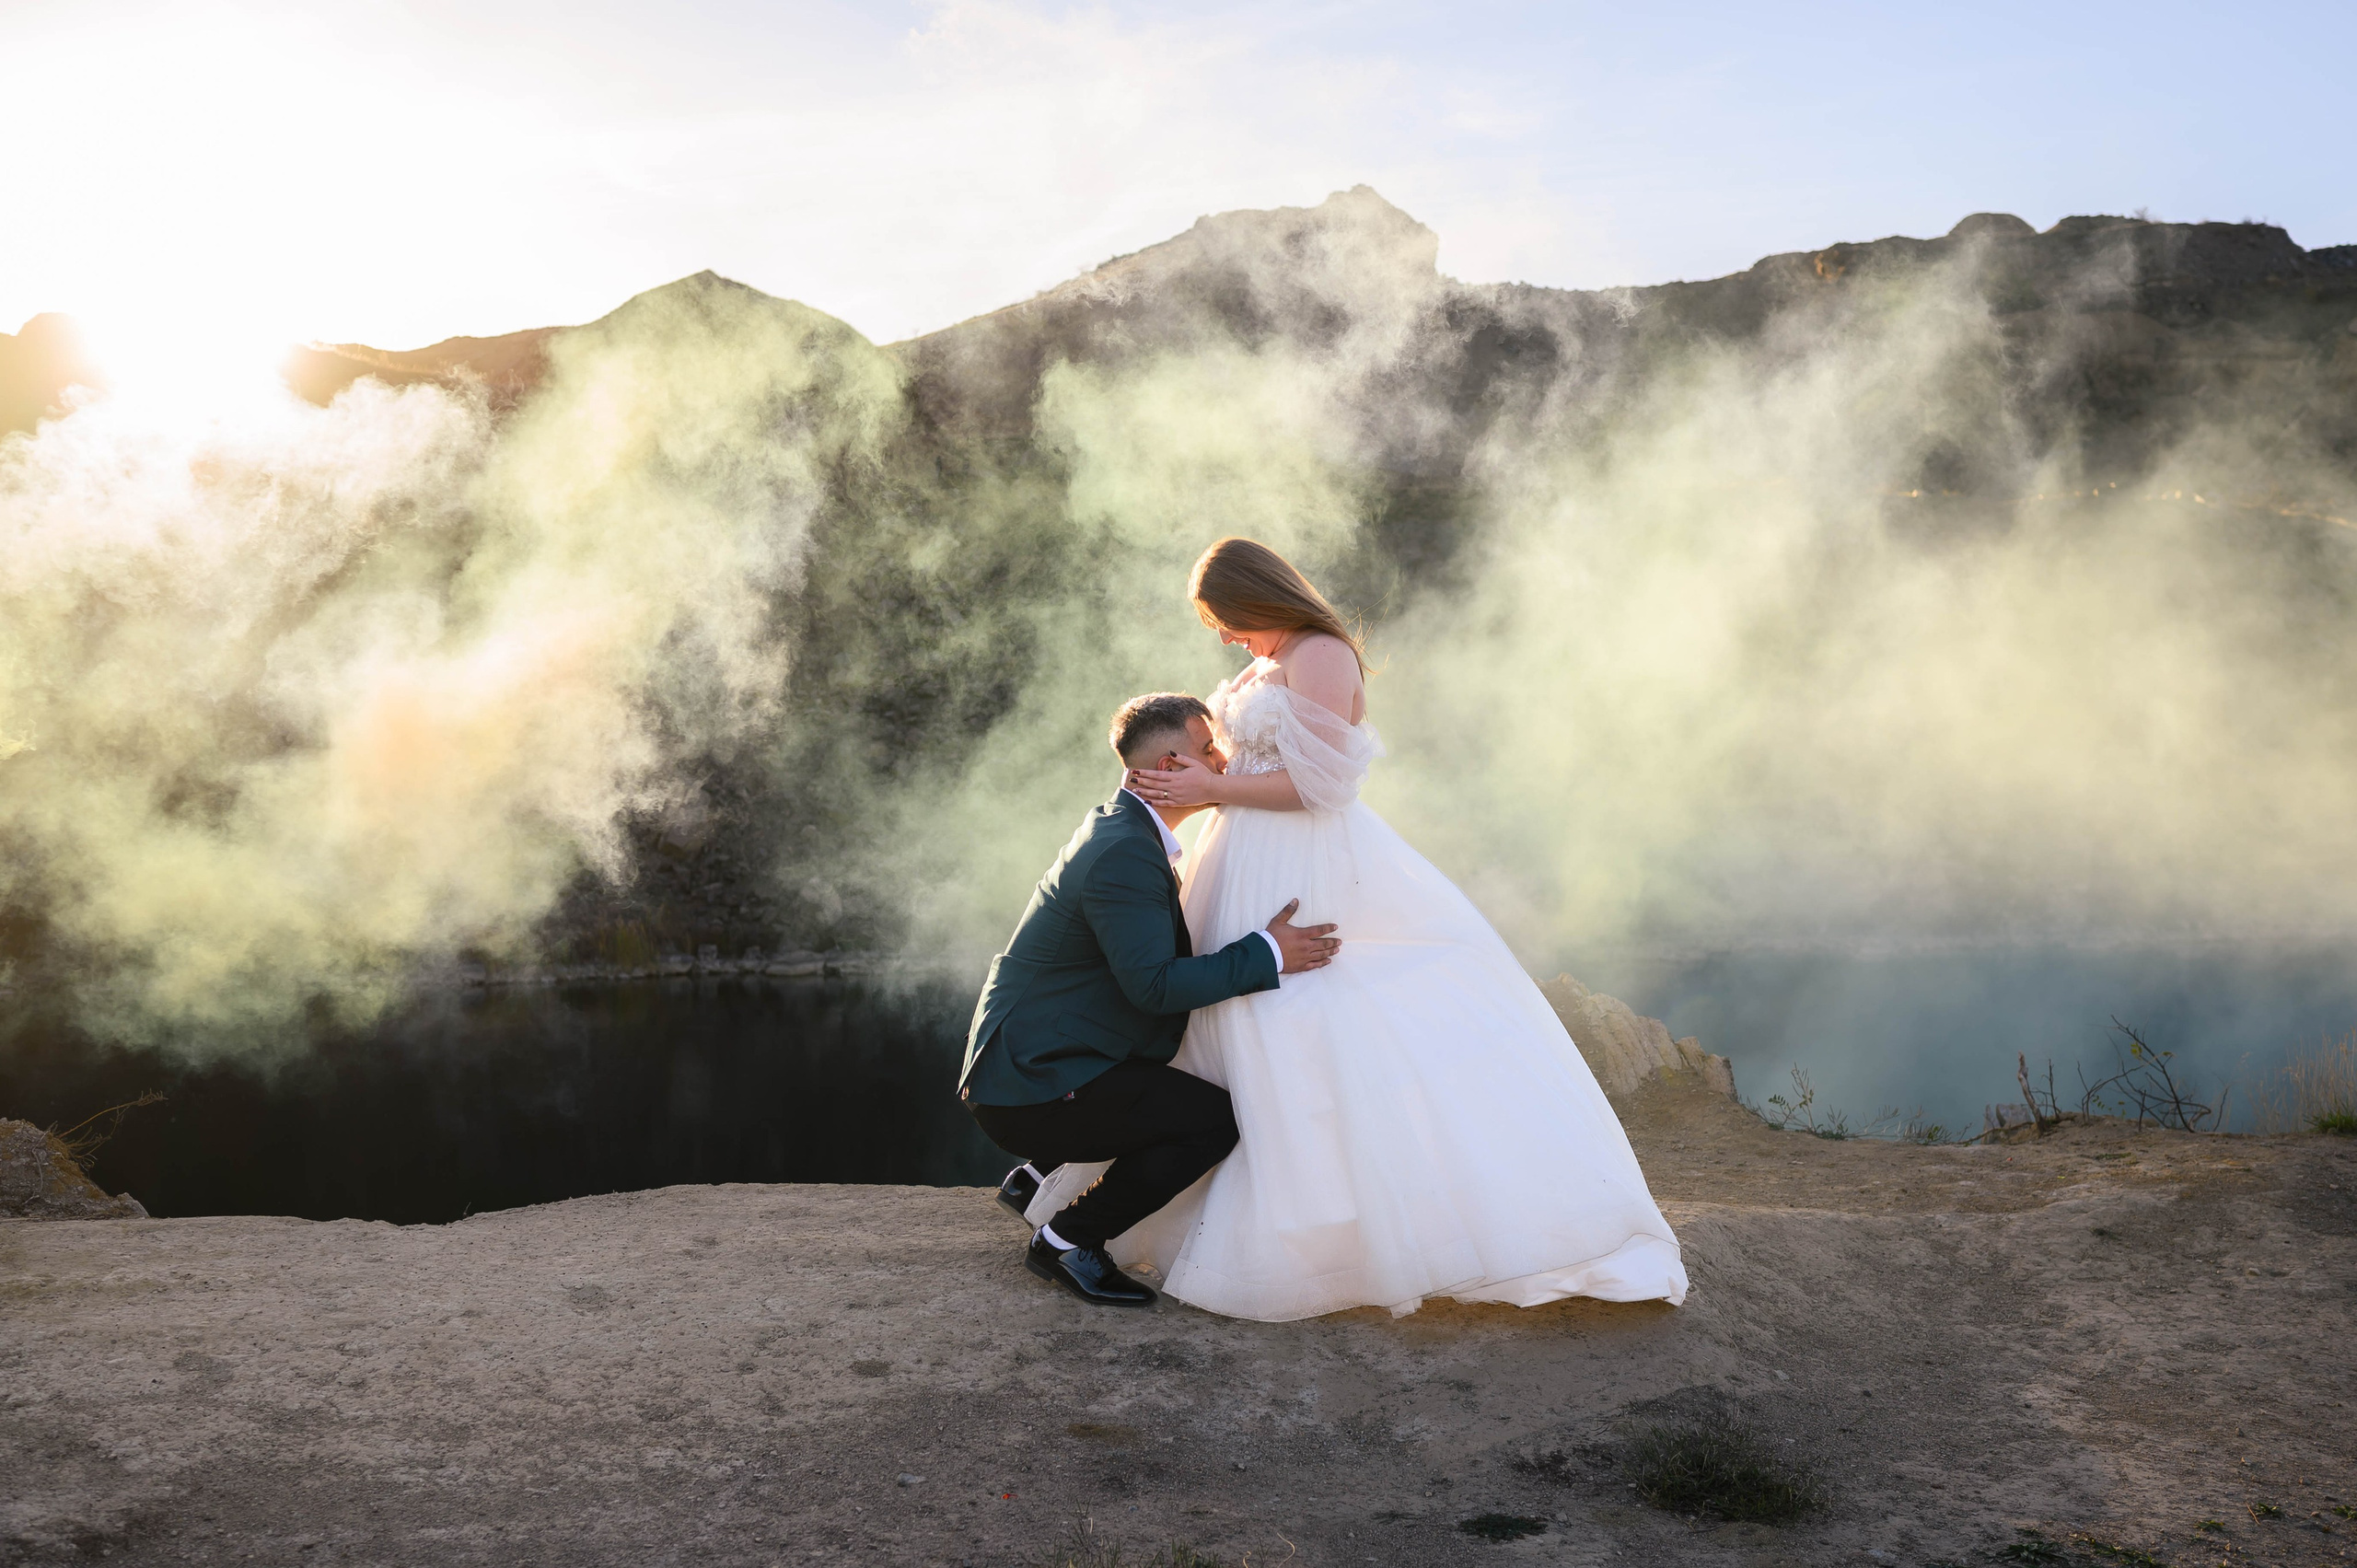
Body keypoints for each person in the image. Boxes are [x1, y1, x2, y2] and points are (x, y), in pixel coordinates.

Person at [1055, 536, 1689, 1320]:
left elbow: (1322, 785)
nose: (1221, 637)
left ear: (1256, 598)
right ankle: (1152, 1197)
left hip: (1293, 860)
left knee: (1290, 1016)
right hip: (1240, 853)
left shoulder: (1321, 655)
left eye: (1224, 618)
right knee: (1216, 1024)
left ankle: (1324, 1237)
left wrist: (1214, 784)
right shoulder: (1273, 655)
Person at [958, 691, 1342, 1307]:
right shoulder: (1125, 853)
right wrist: (1267, 951)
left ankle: (1036, 1177)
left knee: (1177, 1071)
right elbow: (1155, 986)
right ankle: (1066, 1239)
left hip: (1037, 1058)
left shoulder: (1123, 825)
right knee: (1213, 1121)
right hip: (1030, 1082)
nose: (1224, 761)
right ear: (1168, 768)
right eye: (1208, 749)